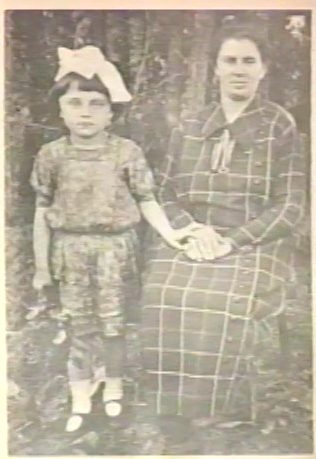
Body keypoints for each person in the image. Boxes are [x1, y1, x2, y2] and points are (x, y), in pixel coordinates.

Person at [140, 21, 306, 438]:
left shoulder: (279, 126)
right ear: (214, 68)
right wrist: (190, 230)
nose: (239, 69)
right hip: (194, 235)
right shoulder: (190, 124)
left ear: (264, 69)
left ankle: (217, 414)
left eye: (249, 61)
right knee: (165, 291)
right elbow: (164, 192)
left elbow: (290, 207)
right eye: (229, 60)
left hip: (256, 241)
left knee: (221, 298)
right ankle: (172, 409)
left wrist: (233, 241)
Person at [30, 45, 195, 433]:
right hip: (69, 253)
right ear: (61, 110)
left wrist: (171, 235)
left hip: (116, 252)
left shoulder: (126, 152)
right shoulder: (51, 155)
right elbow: (42, 212)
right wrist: (41, 267)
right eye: (75, 103)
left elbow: (146, 199)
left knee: (114, 326)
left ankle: (114, 389)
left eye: (95, 103)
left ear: (110, 112)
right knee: (79, 328)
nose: (85, 112)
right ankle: (81, 397)